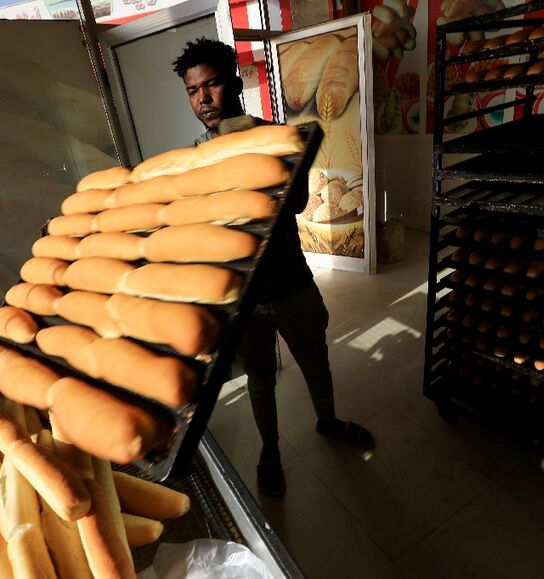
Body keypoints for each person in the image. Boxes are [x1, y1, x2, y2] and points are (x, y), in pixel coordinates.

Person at [172, 38, 375, 497]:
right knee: (260, 378)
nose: (202, 99)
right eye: (192, 90)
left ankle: (328, 420)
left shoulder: (277, 138)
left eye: (213, 84)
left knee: (315, 361)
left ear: (235, 83)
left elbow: (300, 203)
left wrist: (261, 163)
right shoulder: (193, 161)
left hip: (290, 281)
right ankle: (269, 450)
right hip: (242, 296)